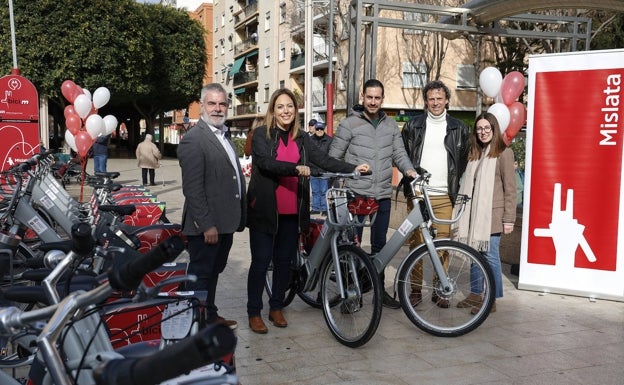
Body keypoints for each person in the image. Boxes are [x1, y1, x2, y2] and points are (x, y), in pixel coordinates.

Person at [246, 88, 369, 334]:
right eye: (280, 106)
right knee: (261, 262)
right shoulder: (261, 135)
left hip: (293, 209)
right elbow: (265, 162)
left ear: (296, 110)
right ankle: (253, 311)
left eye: (290, 106)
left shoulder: (302, 138)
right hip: (265, 210)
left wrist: (353, 167)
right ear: (273, 110)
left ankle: (276, 306)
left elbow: (324, 160)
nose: (285, 111)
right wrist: (296, 169)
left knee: (284, 261)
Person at [328, 79, 418, 309]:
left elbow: (399, 153)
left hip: (382, 196)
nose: (373, 102)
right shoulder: (349, 124)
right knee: (353, 247)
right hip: (356, 194)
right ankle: (351, 296)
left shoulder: (390, 126)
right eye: (369, 97)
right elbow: (333, 158)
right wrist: (345, 177)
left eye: (377, 98)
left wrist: (408, 169)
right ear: (362, 96)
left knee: (381, 247)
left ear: (382, 98)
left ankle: (379, 292)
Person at [177, 83, 247, 330]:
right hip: (207, 227)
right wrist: (206, 224)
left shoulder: (224, 135)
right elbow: (193, 189)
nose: (218, 109)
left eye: (222, 104)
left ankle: (209, 314)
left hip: (225, 222)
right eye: (212, 103)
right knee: (201, 276)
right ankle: (193, 325)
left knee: (213, 273)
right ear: (202, 106)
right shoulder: (194, 140)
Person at [401, 80, 470, 308]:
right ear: (426, 101)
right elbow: (405, 156)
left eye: (440, 98)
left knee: (442, 244)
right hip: (419, 194)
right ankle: (416, 289)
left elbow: (460, 160)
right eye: (431, 99)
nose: (436, 102)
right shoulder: (414, 125)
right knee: (417, 244)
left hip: (443, 194)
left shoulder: (459, 127)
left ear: (447, 100)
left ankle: (440, 288)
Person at [452, 112, 517, 314]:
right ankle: (475, 294)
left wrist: (509, 219)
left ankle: (491, 298)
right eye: (479, 128)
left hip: (492, 216)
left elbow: (510, 189)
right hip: (473, 214)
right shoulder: (475, 153)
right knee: (474, 253)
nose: (483, 132)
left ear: (494, 129)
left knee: (490, 256)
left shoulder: (504, 153)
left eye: (487, 128)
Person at [309, 121, 332, 215]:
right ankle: (315, 208)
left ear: (324, 129)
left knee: (324, 192)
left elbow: (331, 156)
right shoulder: (309, 139)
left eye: (321, 129)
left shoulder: (329, 140)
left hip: (325, 170)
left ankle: (325, 209)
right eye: (317, 129)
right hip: (313, 170)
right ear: (315, 129)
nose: (319, 131)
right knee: (315, 191)